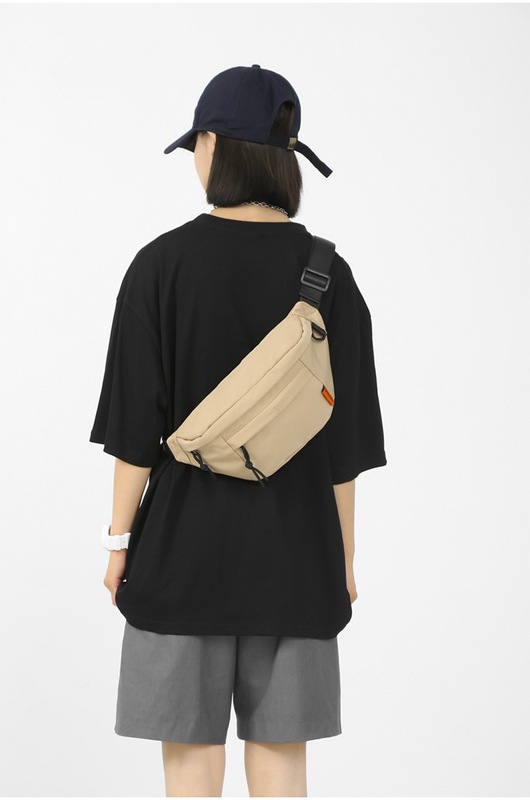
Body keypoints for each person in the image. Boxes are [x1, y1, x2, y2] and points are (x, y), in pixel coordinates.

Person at [89, 64, 387, 797]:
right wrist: (344, 557)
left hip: (180, 557)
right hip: (298, 557)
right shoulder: (331, 277)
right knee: (282, 761)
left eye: (195, 144)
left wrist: (119, 543)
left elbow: (134, 433)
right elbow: (343, 449)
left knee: (191, 762)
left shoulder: (160, 266)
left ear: (215, 146)